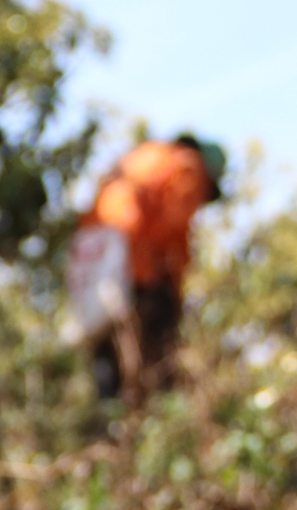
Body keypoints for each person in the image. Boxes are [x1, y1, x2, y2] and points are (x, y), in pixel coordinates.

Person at [77, 134, 226, 403]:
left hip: (90, 255)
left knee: (105, 341)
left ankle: (110, 420)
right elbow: (173, 232)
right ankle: (157, 412)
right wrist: (174, 288)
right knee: (156, 340)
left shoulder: (144, 156)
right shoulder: (188, 166)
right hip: (130, 257)